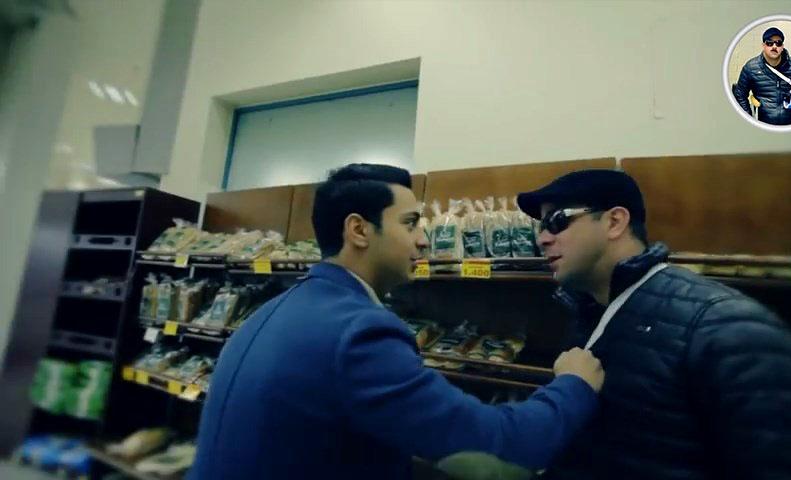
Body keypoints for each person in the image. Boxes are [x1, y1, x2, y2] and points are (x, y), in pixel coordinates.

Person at [189, 164, 605, 479]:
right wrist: (574, 385)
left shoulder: (272, 310)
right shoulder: (359, 334)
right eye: (410, 223)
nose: (424, 239)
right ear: (358, 230)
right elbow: (502, 444)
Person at [516, 169, 791, 479]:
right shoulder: (589, 313)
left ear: (615, 222)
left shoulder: (727, 327)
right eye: (540, 226)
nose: (542, 238)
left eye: (557, 221)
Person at [733, 27, 791, 126]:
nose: (774, 46)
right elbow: (740, 94)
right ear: (763, 45)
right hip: (764, 123)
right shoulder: (751, 68)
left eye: (778, 43)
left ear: (782, 46)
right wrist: (748, 116)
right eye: (769, 43)